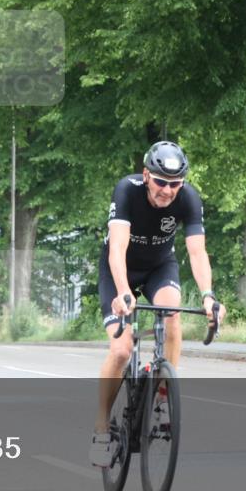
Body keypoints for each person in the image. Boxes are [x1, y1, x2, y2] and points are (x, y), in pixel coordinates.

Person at [90, 141, 227, 467]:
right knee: (122, 350)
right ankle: (100, 428)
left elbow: (197, 252)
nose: (167, 190)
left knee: (172, 311)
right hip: (120, 269)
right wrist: (124, 292)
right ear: (146, 175)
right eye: (161, 182)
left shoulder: (189, 198)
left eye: (175, 183)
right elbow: (117, 248)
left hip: (159, 267)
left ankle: (164, 392)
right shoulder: (127, 190)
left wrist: (208, 295)